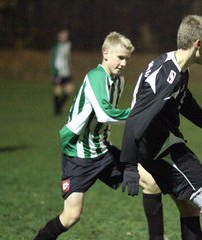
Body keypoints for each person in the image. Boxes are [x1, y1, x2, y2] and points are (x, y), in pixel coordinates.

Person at [120, 15, 202, 240]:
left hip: (162, 145)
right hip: (161, 150)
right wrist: (130, 165)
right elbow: (135, 119)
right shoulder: (166, 77)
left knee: (189, 210)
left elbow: (185, 102)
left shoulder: (176, 67)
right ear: (197, 44)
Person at [33, 31, 135, 240]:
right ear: (106, 53)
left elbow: (104, 120)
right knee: (71, 216)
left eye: (127, 59)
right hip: (78, 155)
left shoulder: (119, 81)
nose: (124, 63)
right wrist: (139, 114)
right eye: (120, 57)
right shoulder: (95, 77)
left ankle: (158, 235)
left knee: (149, 179)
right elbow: (105, 113)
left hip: (104, 151)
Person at [50, 29, 74, 116]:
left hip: (66, 72)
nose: (64, 37)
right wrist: (53, 73)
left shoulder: (68, 45)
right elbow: (52, 60)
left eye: (65, 36)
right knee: (58, 91)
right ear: (59, 37)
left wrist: (70, 68)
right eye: (62, 36)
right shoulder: (56, 47)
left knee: (69, 90)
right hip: (58, 72)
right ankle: (57, 110)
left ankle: (59, 107)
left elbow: (68, 58)